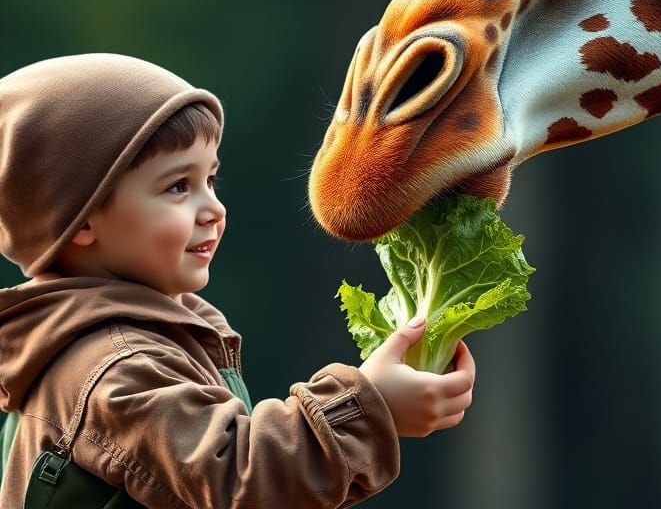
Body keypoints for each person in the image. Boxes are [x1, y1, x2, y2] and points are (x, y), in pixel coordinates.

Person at [0, 53, 475, 508]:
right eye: (177, 187)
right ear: (81, 221)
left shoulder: (151, 333)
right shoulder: (115, 367)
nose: (214, 209)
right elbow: (236, 479)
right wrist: (370, 410)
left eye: (211, 180)